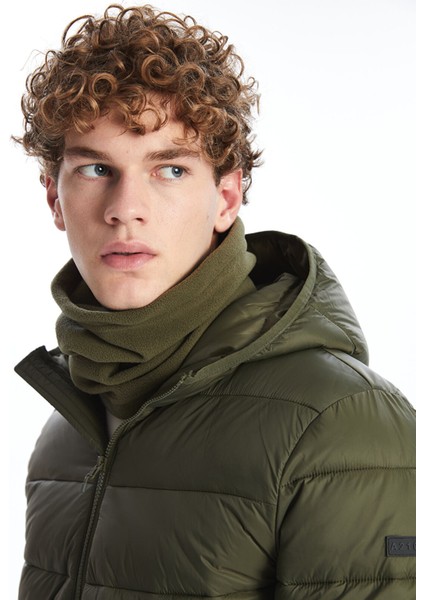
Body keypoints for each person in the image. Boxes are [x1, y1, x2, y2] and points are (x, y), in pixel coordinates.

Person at [14, 4, 415, 599]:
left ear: (226, 197)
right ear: (54, 198)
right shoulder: (68, 424)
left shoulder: (340, 421)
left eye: (170, 170)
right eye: (96, 169)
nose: (126, 209)